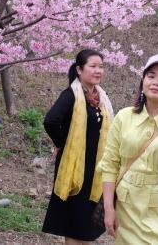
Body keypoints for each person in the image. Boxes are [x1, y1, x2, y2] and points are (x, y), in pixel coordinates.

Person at [98, 54, 158, 245]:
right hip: (127, 207)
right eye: (151, 76)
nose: (156, 82)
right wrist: (109, 208)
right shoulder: (123, 117)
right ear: (143, 80)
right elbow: (110, 164)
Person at [43, 49, 114, 244]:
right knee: (74, 223)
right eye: (93, 66)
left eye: (101, 66)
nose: (98, 70)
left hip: (96, 169)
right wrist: (63, 144)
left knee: (86, 225)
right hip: (75, 167)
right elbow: (51, 121)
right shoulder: (71, 95)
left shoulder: (100, 98)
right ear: (79, 70)